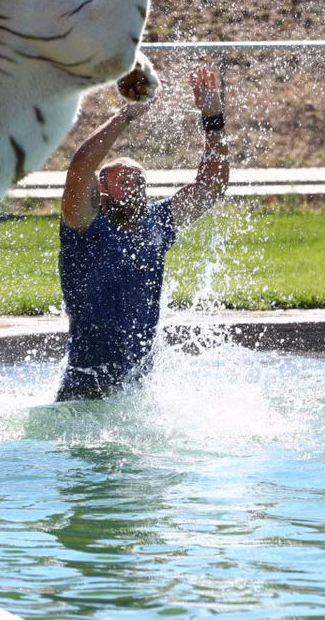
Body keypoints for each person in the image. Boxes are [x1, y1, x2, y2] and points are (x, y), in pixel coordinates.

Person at [56, 65, 229, 401]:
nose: (134, 185)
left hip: (136, 393)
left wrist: (212, 118)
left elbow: (212, 186)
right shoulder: (84, 227)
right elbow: (80, 168)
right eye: (124, 180)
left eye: (139, 181)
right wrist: (127, 115)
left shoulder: (157, 225)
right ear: (101, 191)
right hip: (84, 391)